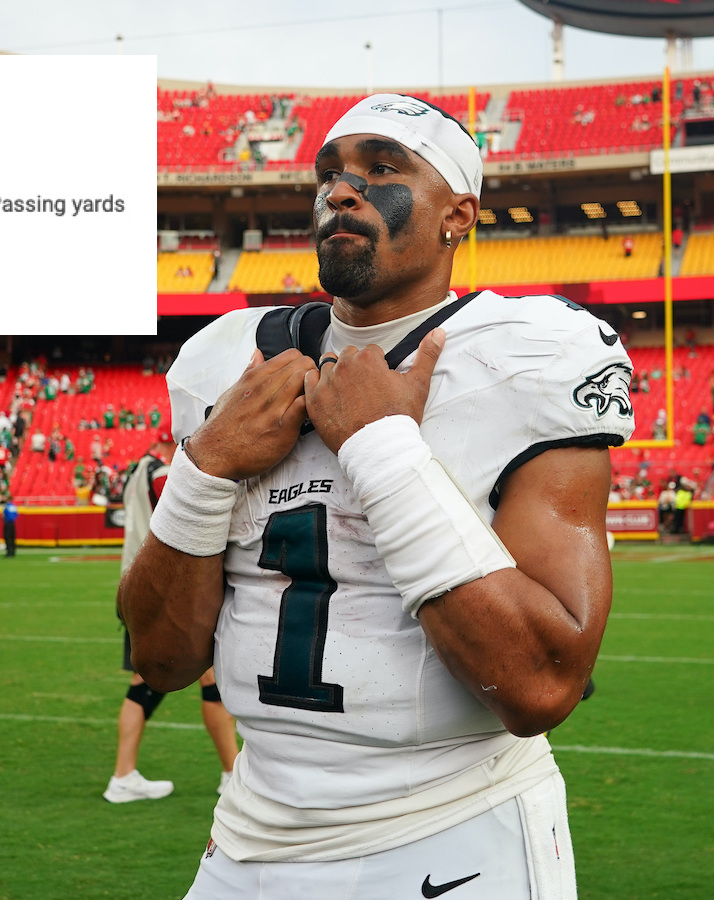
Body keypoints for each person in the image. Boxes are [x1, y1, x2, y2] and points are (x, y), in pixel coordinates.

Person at [119, 94, 632, 899]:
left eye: (382, 168)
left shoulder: (533, 354)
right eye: (329, 174)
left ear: (458, 214)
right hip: (249, 831)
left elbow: (540, 684)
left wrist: (382, 448)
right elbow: (159, 657)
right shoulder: (225, 361)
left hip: (451, 828)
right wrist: (207, 463)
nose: (342, 190)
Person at [107, 431, 239, 804]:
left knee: (141, 684)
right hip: (164, 589)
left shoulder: (138, 469)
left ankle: (123, 775)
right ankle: (231, 773)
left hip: (137, 586)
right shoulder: (159, 472)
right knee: (211, 677)